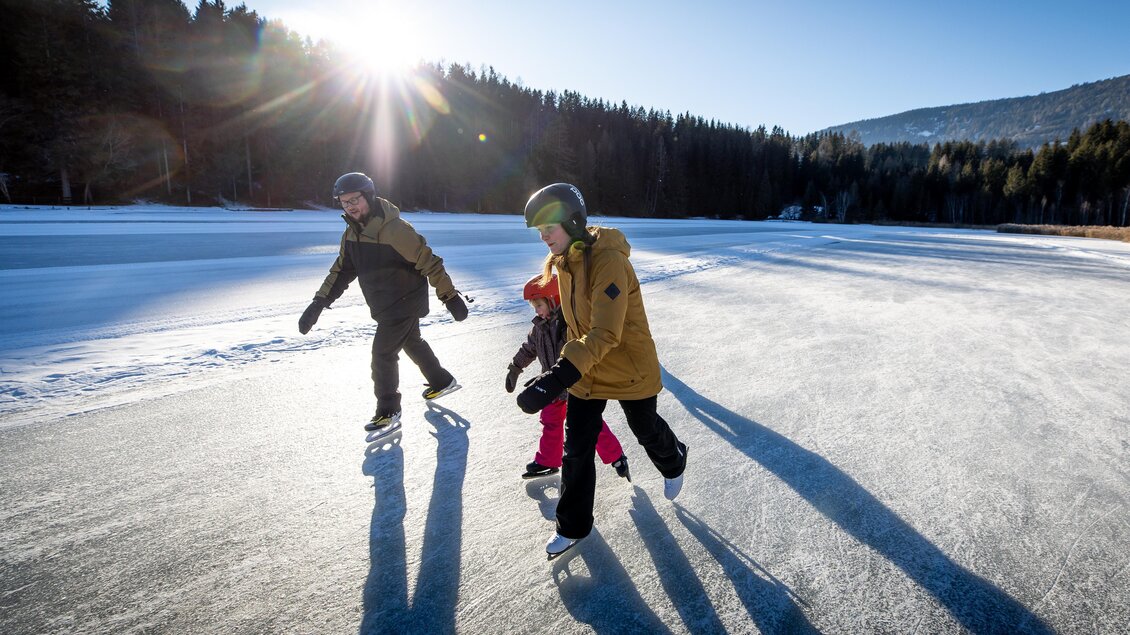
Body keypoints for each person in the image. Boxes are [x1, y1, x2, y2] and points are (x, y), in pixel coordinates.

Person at [515, 183, 687, 558]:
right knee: (576, 447)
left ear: (573, 221)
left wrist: (558, 375)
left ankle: (674, 459)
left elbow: (606, 331)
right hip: (587, 370)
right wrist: (546, 368)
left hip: (628, 366)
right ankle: (572, 526)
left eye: (549, 227)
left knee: (645, 429)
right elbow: (572, 325)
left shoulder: (609, 261)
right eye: (539, 230)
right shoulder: (563, 264)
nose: (543, 236)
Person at [299, 172, 468, 433]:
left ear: (368, 196)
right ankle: (441, 380)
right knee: (412, 342)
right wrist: (318, 303)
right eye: (344, 202)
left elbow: (429, 262)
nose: (350, 206)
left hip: (405, 301)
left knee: (382, 354)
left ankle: (388, 410)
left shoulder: (395, 230)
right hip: (383, 303)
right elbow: (341, 271)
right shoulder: (351, 234)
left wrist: (450, 296)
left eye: (355, 199)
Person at [507, 274, 631, 482]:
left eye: (539, 305)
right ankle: (548, 461)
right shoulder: (538, 329)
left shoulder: (571, 325)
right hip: (551, 387)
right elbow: (528, 349)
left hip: (575, 386)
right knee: (550, 422)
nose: (537, 311)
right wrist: (515, 367)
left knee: (590, 424)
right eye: (534, 307)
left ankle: (616, 456)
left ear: (554, 300)